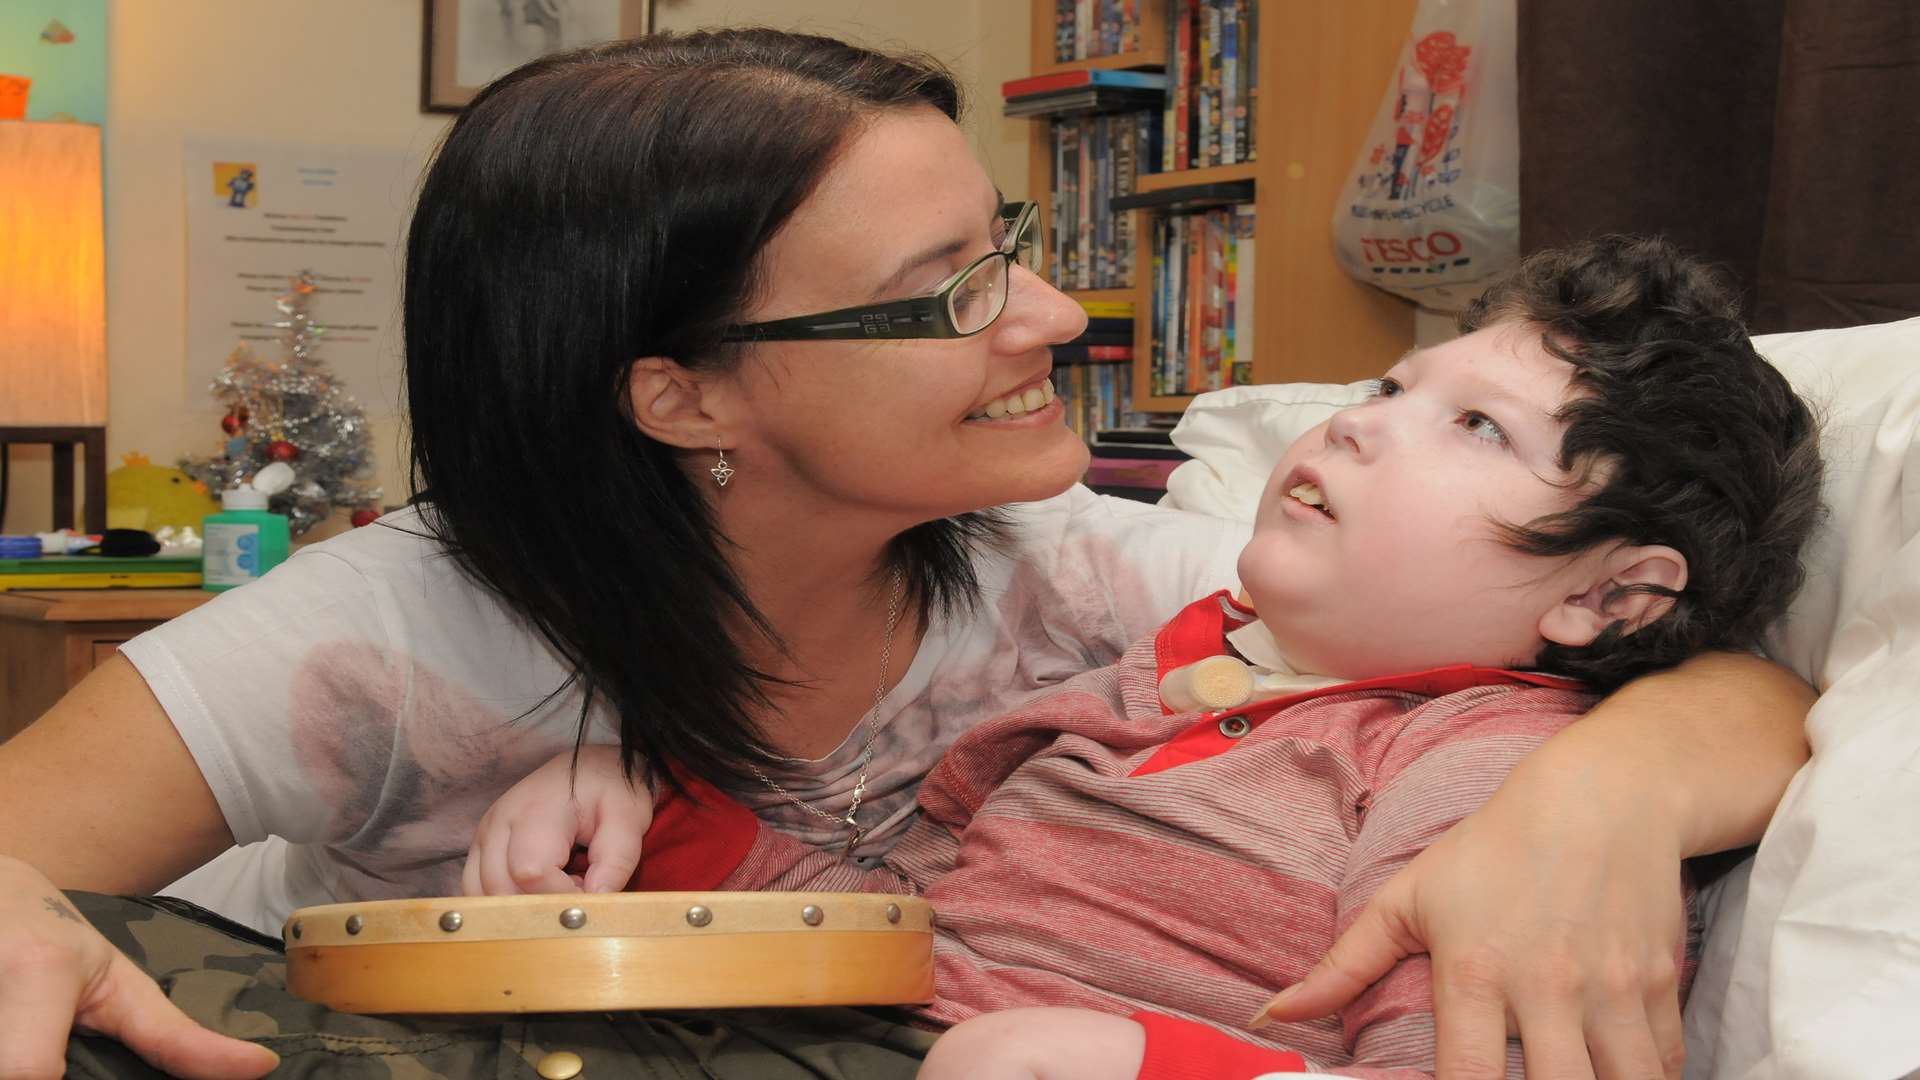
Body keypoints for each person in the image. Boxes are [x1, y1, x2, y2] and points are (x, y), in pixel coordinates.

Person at [0, 29, 1812, 1080]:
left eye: (1009, 234)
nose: (1055, 308)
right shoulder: (378, 638)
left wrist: (1589, 803)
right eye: (944, 291)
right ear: (684, 396)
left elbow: (1709, 671)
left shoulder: (1101, 586)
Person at [475, 236, 1825, 1078]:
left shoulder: (1474, 767)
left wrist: (1134, 1063)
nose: (1364, 426)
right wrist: (661, 810)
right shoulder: (1161, 670)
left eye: (1479, 429)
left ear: (1607, 598)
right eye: (1392, 390)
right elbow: (906, 919)